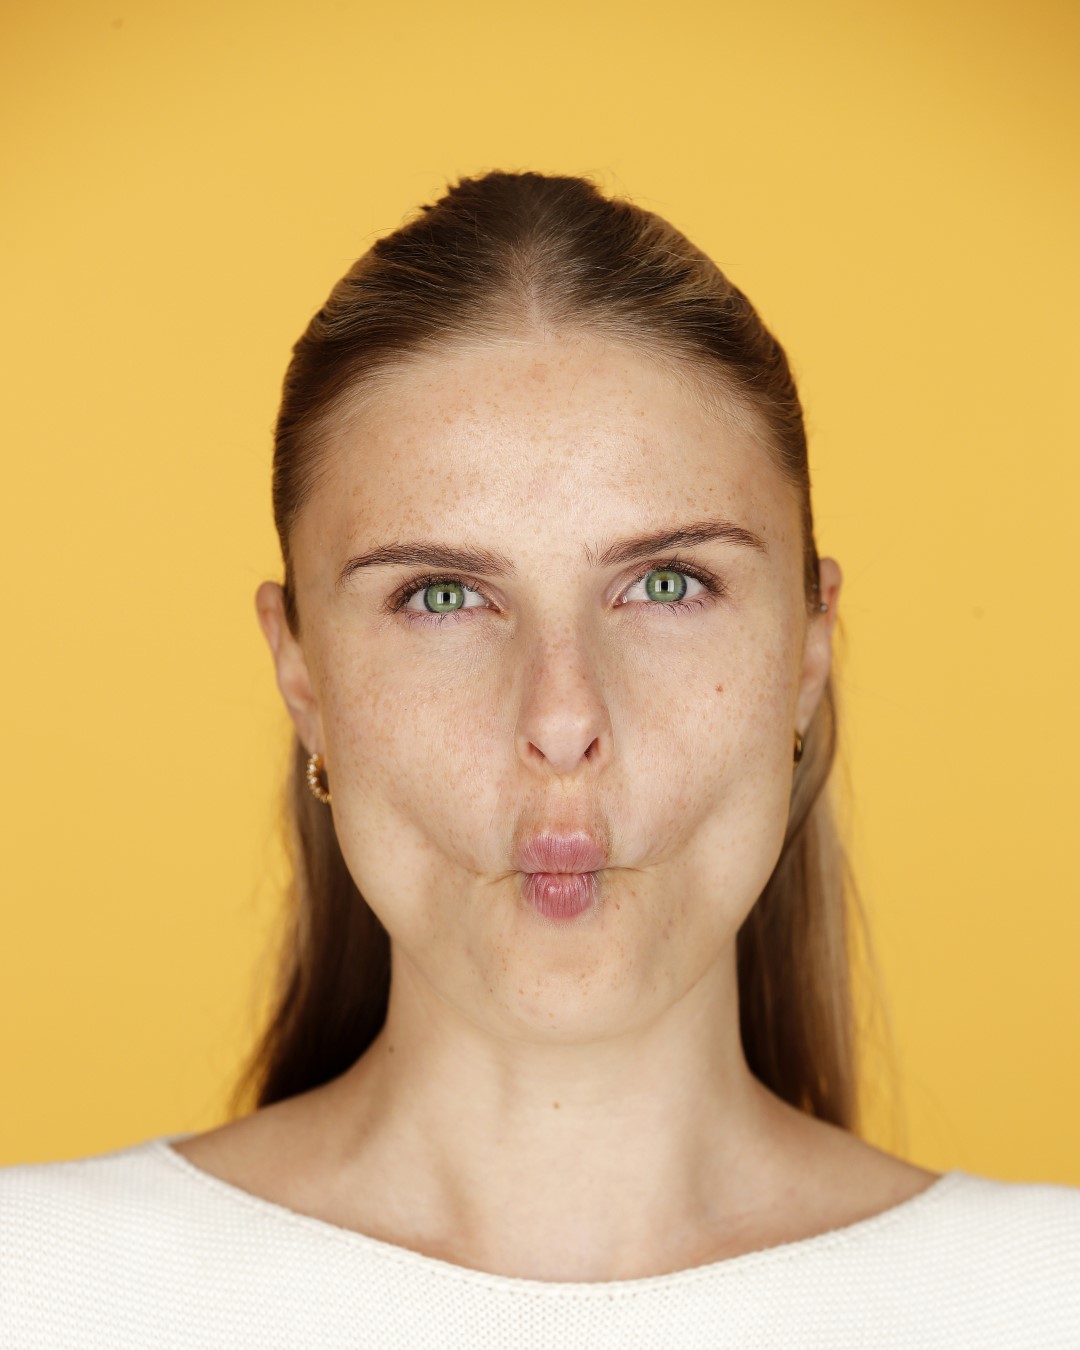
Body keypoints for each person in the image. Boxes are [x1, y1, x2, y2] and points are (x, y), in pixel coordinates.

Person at [2, 170, 1077, 1348]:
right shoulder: (41, 1285)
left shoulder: (1041, 1296)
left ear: (808, 653)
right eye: (442, 595)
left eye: (667, 584)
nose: (563, 719)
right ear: (302, 675)